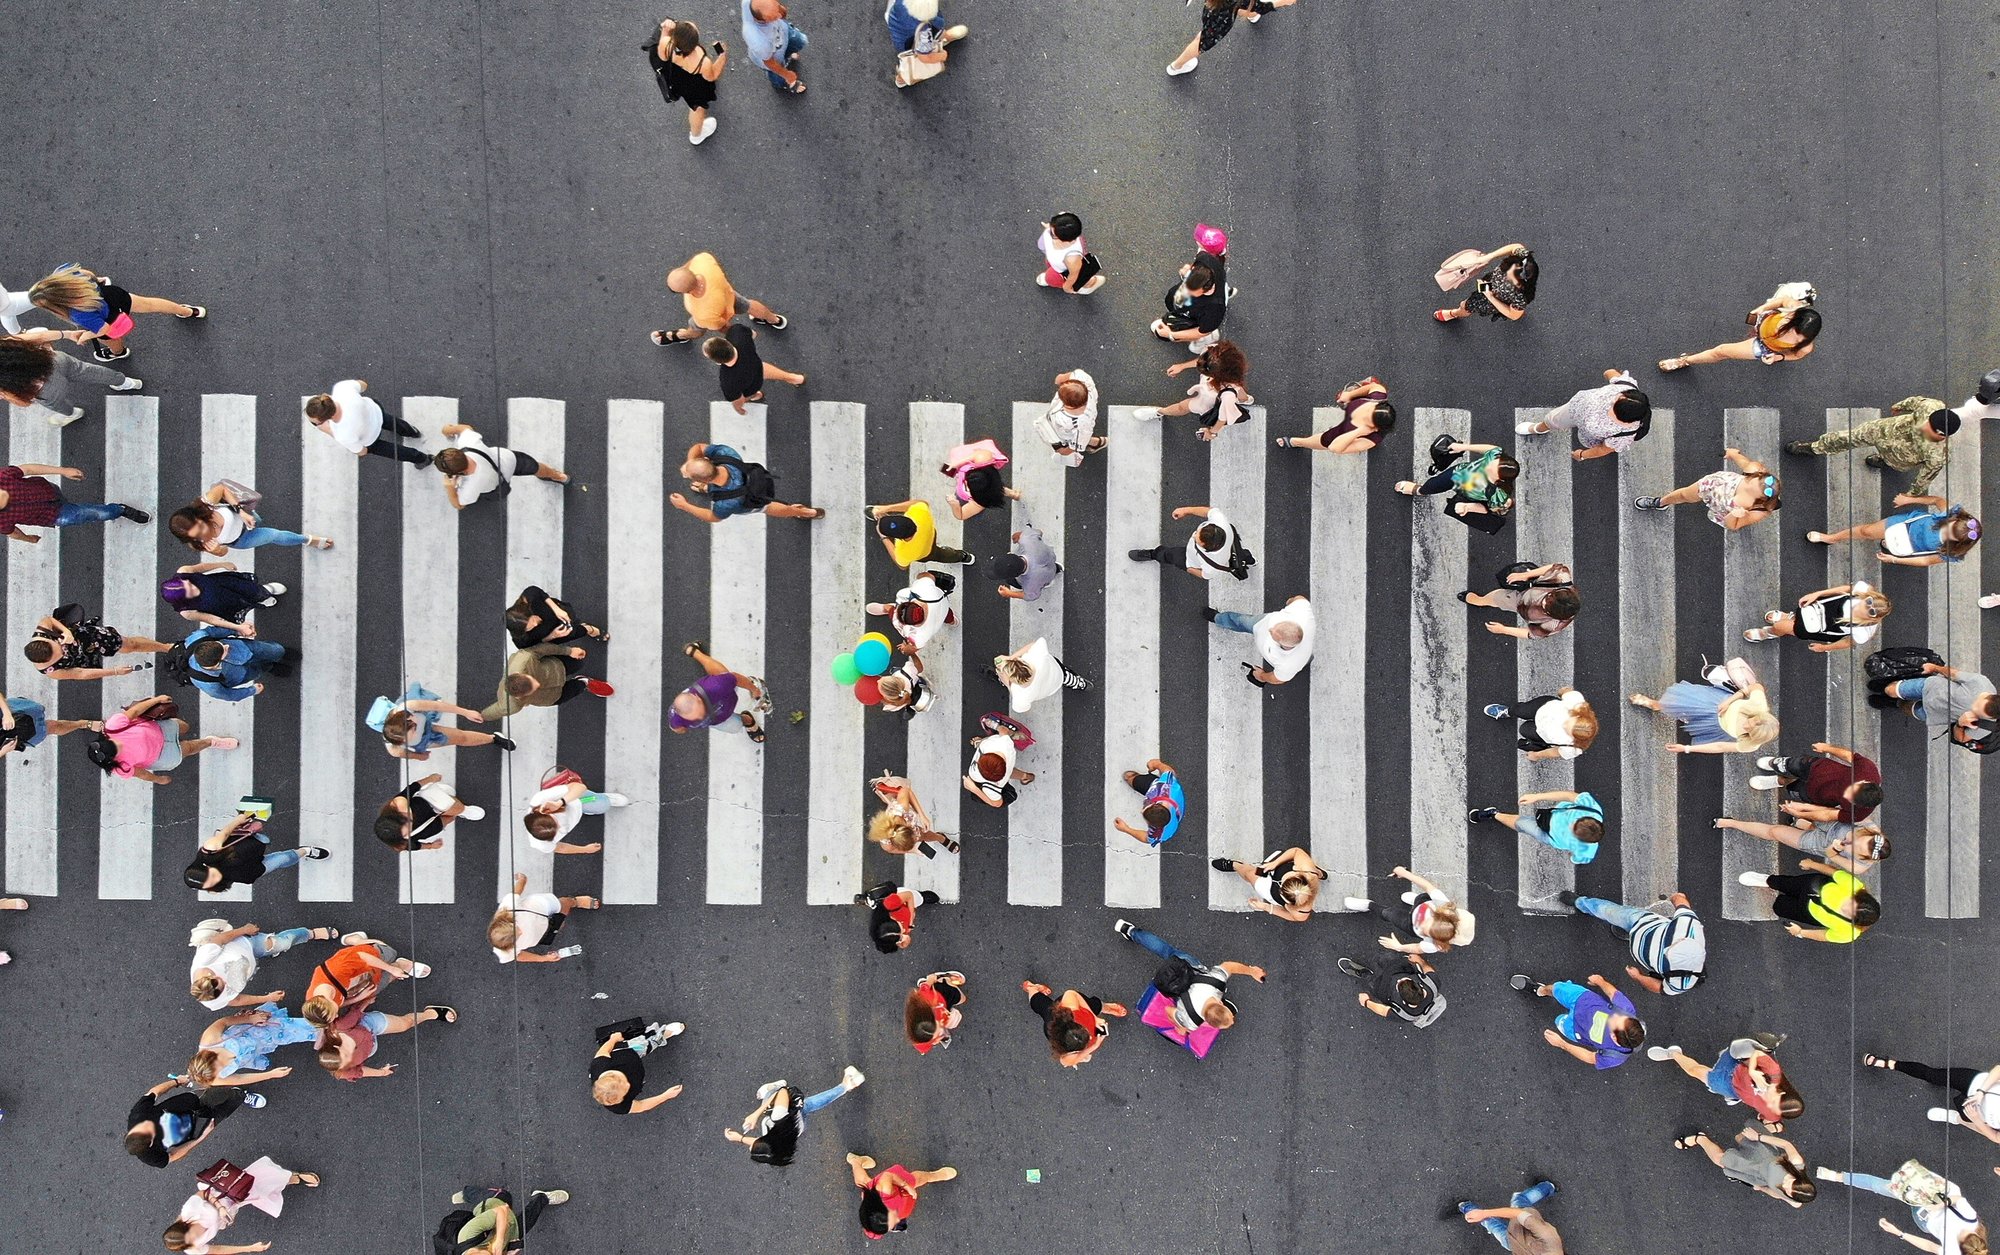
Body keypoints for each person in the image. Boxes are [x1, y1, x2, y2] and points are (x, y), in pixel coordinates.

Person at [26, 263, 203, 362]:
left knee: (111, 339)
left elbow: (102, 329)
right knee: (149, 303)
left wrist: (85, 337)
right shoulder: (63, 272)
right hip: (114, 295)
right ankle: (188, 311)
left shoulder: (76, 313)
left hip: (109, 318)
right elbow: (89, 274)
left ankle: (119, 353)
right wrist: (98, 281)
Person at [1112, 918, 1266, 1032]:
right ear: (1206, 1021)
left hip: (1185, 965)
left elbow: (1228, 966)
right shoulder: (1191, 1022)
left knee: (1165, 950)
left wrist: (1251, 971)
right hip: (1173, 985)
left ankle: (1129, 930)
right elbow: (1169, 1012)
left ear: (1220, 1004)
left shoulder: (1216, 983)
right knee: (1166, 954)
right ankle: (1129, 931)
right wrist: (1181, 1027)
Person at [1788, 396, 1961, 494]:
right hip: (1882, 431)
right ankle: (1814, 448)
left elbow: (1924, 477)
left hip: (1898, 458)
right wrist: (1899, 407)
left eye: (1929, 428)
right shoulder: (1931, 407)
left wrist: (1911, 495)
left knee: (1888, 462)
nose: (1923, 426)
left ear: (1941, 435)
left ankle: (1882, 461)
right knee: (1846, 438)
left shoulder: (1939, 455)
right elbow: (1916, 402)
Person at [1812, 1164, 1987, 1254]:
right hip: (1936, 1194)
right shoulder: (1970, 1220)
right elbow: (1957, 1199)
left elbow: (1929, 1246)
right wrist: (1936, 1206)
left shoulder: (1954, 1252)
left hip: (1923, 1215)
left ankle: (1838, 1176)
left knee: (1889, 1187)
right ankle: (1837, 1176)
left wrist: (1900, 1233)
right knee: (1886, 1186)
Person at [1562, 891, 1705, 996]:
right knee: (1607, 910)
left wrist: (1638, 977)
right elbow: (1680, 900)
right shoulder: (1688, 926)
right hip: (1641, 921)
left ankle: (1632, 936)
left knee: (1610, 914)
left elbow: (1660, 988)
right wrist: (1677, 897)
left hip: (1641, 938)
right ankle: (1580, 902)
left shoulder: (1683, 982)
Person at [162, 1157, 318, 1253]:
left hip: (226, 1192)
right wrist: (250, 1248)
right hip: (234, 1204)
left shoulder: (190, 1211)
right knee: (260, 1189)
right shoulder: (193, 1248)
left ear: (183, 1226)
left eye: (190, 1234)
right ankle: (289, 1178)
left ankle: (293, 1177)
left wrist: (220, 1208)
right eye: (191, 1240)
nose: (196, 1236)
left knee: (259, 1180)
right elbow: (217, 1250)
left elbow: (204, 1193)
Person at [1629, 657, 1778, 755]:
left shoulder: (1751, 745)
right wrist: (1731, 699)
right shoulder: (1759, 706)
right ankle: (1656, 704)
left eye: (1748, 730)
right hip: (1714, 703)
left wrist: (1687, 748)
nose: (1745, 726)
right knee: (1678, 703)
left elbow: (1720, 747)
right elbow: (1756, 687)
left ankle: (1670, 710)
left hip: (1716, 726)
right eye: (1749, 721)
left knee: (1687, 711)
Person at [1658, 282, 1821, 371]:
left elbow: (1796, 355)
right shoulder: (1792, 310)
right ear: (1793, 318)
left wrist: (1778, 357)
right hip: (1763, 322)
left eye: (1799, 339)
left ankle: (1685, 361)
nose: (1793, 337)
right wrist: (1763, 309)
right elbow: (1782, 300)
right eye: (1794, 331)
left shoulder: (1806, 347)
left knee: (1721, 351)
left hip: (1764, 346)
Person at [87, 693, 239, 785]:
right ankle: (211, 742)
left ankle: (206, 741)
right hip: (161, 755)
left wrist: (157, 699)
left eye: (114, 743)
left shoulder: (113, 727)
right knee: (189, 748)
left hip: (161, 729)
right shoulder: (119, 768)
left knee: (184, 727)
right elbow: (141, 773)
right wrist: (158, 780)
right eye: (117, 750)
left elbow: (135, 711)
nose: (119, 745)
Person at [188, 919, 340, 1010]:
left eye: (221, 981)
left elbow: (220, 939)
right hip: (247, 965)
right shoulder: (212, 1001)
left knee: (283, 943)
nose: (225, 982)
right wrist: (266, 998)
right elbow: (236, 1000)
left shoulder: (203, 959)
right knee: (276, 947)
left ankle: (310, 933)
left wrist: (244, 930)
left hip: (248, 944)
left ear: (210, 975)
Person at [725, 1067, 867, 1164]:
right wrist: (756, 1114)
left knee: (809, 1106)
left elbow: (763, 1144)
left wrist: (741, 1138)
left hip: (799, 1126)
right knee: (770, 1097)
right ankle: (771, 1087)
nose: (751, 1148)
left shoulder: (780, 1151)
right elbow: (783, 1092)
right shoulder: (777, 1119)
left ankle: (846, 1086)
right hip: (787, 1116)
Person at [0, 332, 142, 426]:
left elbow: (22, 403)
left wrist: (5, 395)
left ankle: (72, 414)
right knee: (89, 371)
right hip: (54, 360)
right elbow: (40, 336)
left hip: (47, 390)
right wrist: (66, 334)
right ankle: (126, 382)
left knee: (58, 405)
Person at [1508, 972, 1645, 1069]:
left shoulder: (1615, 1057)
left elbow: (1591, 1057)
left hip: (1574, 1029)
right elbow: (1612, 993)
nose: (1615, 1015)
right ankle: (1540, 990)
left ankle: (1555, 1001)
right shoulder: (1626, 1010)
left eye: (1614, 1021)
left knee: (1559, 1020)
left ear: (1614, 1038)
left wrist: (1562, 1044)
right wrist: (1600, 981)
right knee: (1556, 988)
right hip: (1582, 998)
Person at [1808, 493, 1981, 566]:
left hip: (1911, 547)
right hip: (1905, 524)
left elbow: (1925, 561)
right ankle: (1832, 538)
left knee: (1889, 546)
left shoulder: (1953, 552)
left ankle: (1888, 546)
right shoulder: (1951, 512)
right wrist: (1909, 499)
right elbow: (1936, 500)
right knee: (1867, 531)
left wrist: (1894, 559)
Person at [298, 935, 431, 1030]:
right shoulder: (317, 1002)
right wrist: (359, 998)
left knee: (390, 952)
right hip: (355, 981)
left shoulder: (337, 969)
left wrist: (391, 969)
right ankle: (401, 965)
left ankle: (358, 941)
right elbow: (340, 1003)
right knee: (376, 987)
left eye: (334, 1013)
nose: (337, 1014)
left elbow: (365, 958)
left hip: (362, 958)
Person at [672, 441, 824, 522]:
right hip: (753, 477)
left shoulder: (727, 503)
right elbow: (699, 447)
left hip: (749, 498)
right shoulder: (726, 454)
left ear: (704, 479)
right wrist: (691, 463)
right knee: (767, 506)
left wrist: (685, 506)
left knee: (765, 508)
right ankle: (809, 512)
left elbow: (713, 517)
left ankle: (801, 511)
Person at [1633, 446, 1781, 530]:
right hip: (1710, 486)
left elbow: (1733, 526)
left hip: (1721, 508)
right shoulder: (1755, 471)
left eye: (1750, 487)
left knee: (1685, 495)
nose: (1748, 481)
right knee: (1684, 495)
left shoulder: (1759, 510)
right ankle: (1660, 502)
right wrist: (1733, 454)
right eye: (1750, 480)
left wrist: (1735, 515)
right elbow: (1744, 462)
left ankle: (1661, 502)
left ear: (1760, 498)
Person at [653, 250, 785, 344]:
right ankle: (775, 320)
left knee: (696, 330)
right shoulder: (703, 261)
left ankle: (679, 335)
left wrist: (742, 334)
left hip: (716, 312)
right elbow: (692, 262)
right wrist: (681, 275)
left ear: (686, 292)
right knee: (747, 304)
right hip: (728, 294)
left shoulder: (702, 312)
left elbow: (723, 326)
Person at [1517, 368, 1651, 460]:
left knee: (1556, 419)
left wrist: (1582, 454)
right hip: (1575, 408)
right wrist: (1609, 373)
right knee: (1553, 419)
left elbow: (1603, 449)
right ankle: (1538, 428)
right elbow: (1611, 373)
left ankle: (1539, 428)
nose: (1611, 401)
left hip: (1587, 430)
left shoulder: (1623, 435)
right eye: (1618, 396)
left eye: (1614, 406)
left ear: (1622, 419)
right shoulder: (1626, 386)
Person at [126, 1078, 262, 1168]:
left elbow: (154, 1093)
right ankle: (241, 1096)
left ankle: (235, 1091)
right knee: (222, 1113)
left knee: (218, 1092)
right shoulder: (149, 1156)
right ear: (150, 1143)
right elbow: (172, 1156)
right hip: (197, 1127)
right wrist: (200, 1138)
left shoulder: (138, 1115)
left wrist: (176, 1081)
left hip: (193, 1101)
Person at [1861, 1052, 2000, 1140]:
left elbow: (1995, 1136)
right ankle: (1891, 1064)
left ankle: (1956, 1118)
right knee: (1933, 1076)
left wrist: (1976, 1119)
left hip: (1976, 1112)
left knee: (1966, 1117)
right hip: (1977, 1082)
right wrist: (1981, 1092)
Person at [1394, 437, 1518, 534]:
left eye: (1492, 470)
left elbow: (1486, 508)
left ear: (1500, 480)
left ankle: (1422, 490)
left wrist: (1467, 507)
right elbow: (1490, 449)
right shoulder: (1495, 457)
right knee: (1433, 484)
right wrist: (1463, 447)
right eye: (1494, 462)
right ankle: (1421, 490)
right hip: (1457, 475)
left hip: (1469, 494)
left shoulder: (1497, 494)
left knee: (1439, 487)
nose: (1488, 465)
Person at [0, 461, 148, 542]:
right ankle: (119, 510)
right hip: (53, 516)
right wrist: (28, 539)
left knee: (79, 508)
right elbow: (13, 533)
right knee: (93, 514)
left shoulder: (3, 477)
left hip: (48, 490)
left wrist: (63, 470)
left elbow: (28, 469)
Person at [1134, 341, 1253, 441]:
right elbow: (1204, 362)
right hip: (1225, 390)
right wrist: (1182, 366)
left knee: (1182, 407)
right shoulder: (1226, 363)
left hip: (1208, 401)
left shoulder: (1226, 395)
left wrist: (1212, 432)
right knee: (1238, 390)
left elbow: (1222, 418)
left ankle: (1160, 412)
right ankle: (1245, 399)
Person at [433, 421, 569, 509]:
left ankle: (557, 476)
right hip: (508, 459)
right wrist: (447, 429)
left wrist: (449, 488)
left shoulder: (471, 487)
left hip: (496, 486)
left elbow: (458, 504)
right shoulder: (468, 444)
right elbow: (466, 428)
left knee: (481, 496)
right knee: (535, 466)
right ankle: (559, 476)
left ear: (459, 473)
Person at [1344, 865, 1476, 955]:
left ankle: (1369, 905)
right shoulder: (1443, 904)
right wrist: (1405, 873)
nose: (1421, 924)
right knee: (1420, 898)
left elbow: (1418, 948)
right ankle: (1414, 902)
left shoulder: (1434, 945)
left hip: (1409, 924)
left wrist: (1399, 947)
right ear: (1439, 914)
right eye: (1429, 920)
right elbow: (1427, 886)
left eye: (1424, 932)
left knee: (1389, 914)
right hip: (1423, 903)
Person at [170, 481, 332, 554]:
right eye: (197, 535)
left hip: (244, 518)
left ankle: (253, 519)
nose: (203, 533)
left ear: (198, 516)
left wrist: (240, 511)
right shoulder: (198, 544)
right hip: (241, 540)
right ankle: (308, 540)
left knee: (258, 520)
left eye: (200, 526)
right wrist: (218, 550)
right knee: (274, 535)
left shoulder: (206, 505)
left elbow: (222, 489)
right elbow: (223, 552)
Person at [24, 601, 170, 681]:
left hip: (88, 637)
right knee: (124, 647)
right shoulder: (51, 671)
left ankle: (165, 647)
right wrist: (114, 671)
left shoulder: (42, 633)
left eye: (59, 647)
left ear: (48, 641)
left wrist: (66, 632)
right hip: (81, 657)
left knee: (129, 645)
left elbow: (49, 620)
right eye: (60, 655)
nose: (63, 650)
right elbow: (80, 674)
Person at [1674, 1127, 1816, 1208]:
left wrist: (1762, 1188)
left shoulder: (1794, 1201)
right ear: (1801, 1178)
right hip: (1763, 1154)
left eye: (1788, 1190)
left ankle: (1700, 1139)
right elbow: (1786, 1145)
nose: (1785, 1184)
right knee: (1739, 1136)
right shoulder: (1796, 1163)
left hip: (1754, 1173)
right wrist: (1758, 1137)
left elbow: (1776, 1195)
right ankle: (1768, 1125)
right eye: (1791, 1181)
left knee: (1720, 1159)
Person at [1871, 658, 1997, 750]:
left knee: (1906, 707)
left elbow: (1961, 738)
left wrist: (1960, 724)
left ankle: (1893, 703)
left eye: (1976, 710)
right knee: (1890, 690)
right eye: (1978, 703)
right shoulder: (1981, 683)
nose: (1973, 707)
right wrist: (1935, 668)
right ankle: (1887, 690)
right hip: (1930, 687)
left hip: (1932, 714)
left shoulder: (1986, 726)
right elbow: (1954, 674)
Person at [1737, 863, 1881, 943]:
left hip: (1807, 912)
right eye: (1852, 902)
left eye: (1850, 912)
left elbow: (1823, 935)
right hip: (1810, 885)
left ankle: (1775, 891)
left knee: (1779, 907)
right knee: (1784, 883)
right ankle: (1767, 880)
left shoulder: (1849, 933)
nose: (1846, 906)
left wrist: (1800, 932)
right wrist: (1812, 864)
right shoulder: (1855, 886)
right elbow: (1833, 873)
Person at [302, 379, 430, 468]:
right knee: (394, 422)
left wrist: (328, 431)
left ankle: (422, 458)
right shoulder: (342, 389)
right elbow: (363, 385)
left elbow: (362, 451)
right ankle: (413, 432)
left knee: (395, 451)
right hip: (375, 412)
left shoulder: (342, 434)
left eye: (316, 423)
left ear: (326, 418)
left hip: (371, 439)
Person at [186, 1003, 320, 1087]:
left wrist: (249, 1019)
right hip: (254, 1049)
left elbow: (224, 1022)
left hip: (256, 1030)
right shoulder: (213, 1079)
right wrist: (270, 1074)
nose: (224, 1067)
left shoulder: (209, 1040)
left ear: (208, 1056)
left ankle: (321, 1029)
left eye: (219, 1065)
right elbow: (239, 1078)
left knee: (289, 1030)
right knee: (284, 1035)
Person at [318, 1001, 456, 1082]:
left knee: (405, 1024)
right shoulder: (342, 1071)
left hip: (369, 1025)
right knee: (377, 1043)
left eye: (346, 1055)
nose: (351, 1058)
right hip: (370, 1046)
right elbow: (360, 1072)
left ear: (335, 1044)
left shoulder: (341, 1027)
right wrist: (381, 1072)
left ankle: (430, 1013)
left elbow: (356, 1012)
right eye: (348, 1063)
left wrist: (366, 1000)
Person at [370, 683, 514, 760]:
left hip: (423, 723)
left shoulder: (410, 706)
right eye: (409, 738)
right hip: (425, 741)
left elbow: (437, 706)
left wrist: (466, 713)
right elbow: (404, 754)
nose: (414, 734)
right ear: (401, 743)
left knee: (460, 736)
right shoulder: (394, 749)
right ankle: (493, 739)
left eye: (413, 728)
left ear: (408, 718)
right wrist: (419, 756)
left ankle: (493, 738)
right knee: (460, 738)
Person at [1713, 814, 1890, 876]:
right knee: (1808, 822)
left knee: (1775, 832)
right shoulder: (1870, 827)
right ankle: (1803, 823)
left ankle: (1732, 823)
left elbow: (1830, 856)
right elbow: (1843, 812)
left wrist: (1837, 848)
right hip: (1831, 822)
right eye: (1859, 837)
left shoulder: (1859, 866)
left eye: (1856, 847)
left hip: (1821, 844)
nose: (1853, 841)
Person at [481, 640, 611, 722]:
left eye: (532, 680)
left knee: (579, 663)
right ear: (520, 697)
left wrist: (569, 651)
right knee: (576, 688)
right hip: (551, 697)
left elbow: (542, 649)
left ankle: (580, 681)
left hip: (556, 667)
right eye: (533, 688)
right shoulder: (511, 705)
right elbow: (498, 710)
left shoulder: (525, 659)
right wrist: (482, 716)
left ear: (522, 674)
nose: (538, 684)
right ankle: (584, 682)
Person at [1751, 741, 1882, 820]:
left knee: (1792, 788)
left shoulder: (1859, 814)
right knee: (1791, 764)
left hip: (1817, 795)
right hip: (1816, 767)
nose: (1845, 795)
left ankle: (1779, 781)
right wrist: (1827, 748)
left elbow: (1828, 815)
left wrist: (1800, 813)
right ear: (1864, 782)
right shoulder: (1868, 769)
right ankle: (1774, 763)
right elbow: (1850, 756)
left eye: (1850, 799)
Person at [1741, 581, 1890, 650]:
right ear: (1869, 597)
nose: (1867, 607)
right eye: (1869, 602)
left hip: (1819, 628)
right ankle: (1791, 617)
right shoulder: (1863, 591)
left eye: (1872, 611)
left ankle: (1770, 632)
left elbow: (1848, 643)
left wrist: (1825, 648)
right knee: (1800, 612)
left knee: (1780, 626)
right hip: (1818, 608)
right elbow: (1845, 589)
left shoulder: (1864, 630)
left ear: (1873, 618)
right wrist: (1817, 594)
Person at [645, 18, 725, 145]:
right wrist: (722, 56)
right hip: (691, 84)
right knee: (697, 109)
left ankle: (697, 133)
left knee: (693, 104)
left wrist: (665, 31)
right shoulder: (702, 62)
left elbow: (661, 56)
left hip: (673, 75)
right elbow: (712, 76)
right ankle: (696, 134)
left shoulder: (667, 44)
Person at [1469, 789, 1603, 864]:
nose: (1570, 825)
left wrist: (1571, 853)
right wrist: (1537, 797)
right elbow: (1568, 795)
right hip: (1550, 816)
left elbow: (1575, 858)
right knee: (1523, 823)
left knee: (1522, 824)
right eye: (1575, 821)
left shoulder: (1587, 851)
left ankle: (1494, 814)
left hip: (1547, 835)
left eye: (1572, 830)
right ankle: (1495, 814)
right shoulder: (1591, 807)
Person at [490, 871, 599, 964]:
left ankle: (575, 901)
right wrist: (544, 958)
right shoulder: (503, 952)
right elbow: (518, 956)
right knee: (559, 924)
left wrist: (522, 879)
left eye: (516, 927)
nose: (521, 931)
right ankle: (563, 915)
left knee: (564, 903)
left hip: (542, 907)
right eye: (518, 936)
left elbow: (517, 892)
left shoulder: (507, 907)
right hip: (542, 934)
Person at [1207, 594, 1314, 687]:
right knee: (1303, 660)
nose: (1270, 629)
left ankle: (1218, 618)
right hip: (1261, 623)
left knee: (1239, 621)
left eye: (1272, 634)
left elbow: (1277, 680)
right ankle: (1218, 618)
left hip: (1258, 626)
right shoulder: (1303, 613)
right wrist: (1291, 601)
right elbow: (1300, 599)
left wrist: (1261, 676)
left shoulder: (1288, 664)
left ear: (1282, 642)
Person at [1166, 0, 1298, 75]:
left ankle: (1251, 15)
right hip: (1222, 11)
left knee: (1241, 5)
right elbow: (1270, 4)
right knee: (1203, 40)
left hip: (1221, 5)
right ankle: (1176, 66)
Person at [669, 641, 768, 741]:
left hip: (724, 693)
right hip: (719, 718)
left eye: (700, 712)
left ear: (697, 697)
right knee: (736, 727)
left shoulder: (716, 686)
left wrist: (754, 689)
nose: (702, 717)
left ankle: (696, 652)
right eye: (696, 718)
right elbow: (677, 728)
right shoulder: (676, 719)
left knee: (723, 675)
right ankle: (747, 719)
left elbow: (736, 678)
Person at [1130, 504, 1251, 582]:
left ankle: (1154, 554)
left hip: (1190, 559)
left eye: (1197, 540)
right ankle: (1249, 560)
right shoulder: (1220, 522)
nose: (1193, 535)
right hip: (1227, 552)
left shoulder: (1212, 564)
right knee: (1240, 555)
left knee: (1170, 555)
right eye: (1198, 532)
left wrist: (1189, 568)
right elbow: (1210, 511)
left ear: (1207, 548)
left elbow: (1205, 575)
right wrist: (1187, 510)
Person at [848, 1152, 957, 1239]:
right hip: (883, 1199)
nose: (896, 1222)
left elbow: (888, 1176)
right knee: (864, 1183)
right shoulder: (873, 1227)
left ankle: (934, 1175)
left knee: (916, 1179)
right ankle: (855, 1161)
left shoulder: (884, 1191)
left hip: (897, 1187)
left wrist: (906, 1186)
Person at [1022, 980, 1127, 1069]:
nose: (1090, 1036)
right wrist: (1094, 1046)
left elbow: (1071, 993)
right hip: (1053, 1020)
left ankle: (1106, 1008)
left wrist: (1095, 1018)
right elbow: (1066, 1061)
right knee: (1042, 1007)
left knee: (1094, 1005)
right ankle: (1032, 989)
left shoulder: (1069, 1008)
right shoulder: (1066, 1055)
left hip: (1069, 1010)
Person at [1275, 376, 1395, 454]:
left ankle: (1297, 442)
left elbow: (1335, 448)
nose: (1365, 412)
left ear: (1375, 428)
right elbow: (1374, 387)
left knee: (1324, 440)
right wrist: (1350, 395)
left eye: (1367, 419)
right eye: (1370, 410)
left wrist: (1358, 432)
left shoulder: (1372, 438)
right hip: (1351, 413)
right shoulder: (1376, 398)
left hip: (1340, 433)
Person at [590, 1021, 687, 1114]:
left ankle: (660, 1034)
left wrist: (613, 1039)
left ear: (610, 1073)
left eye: (622, 1081)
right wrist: (666, 1096)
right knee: (645, 1045)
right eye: (625, 1091)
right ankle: (653, 1037)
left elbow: (605, 1049)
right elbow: (641, 1106)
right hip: (635, 1067)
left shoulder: (599, 1065)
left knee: (645, 1045)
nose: (628, 1084)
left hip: (629, 1051)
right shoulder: (618, 1107)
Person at [704, 324, 806, 414]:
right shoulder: (737, 332)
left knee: (751, 393)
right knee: (764, 368)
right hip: (757, 366)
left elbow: (737, 399)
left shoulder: (727, 380)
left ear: (718, 361)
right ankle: (794, 378)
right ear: (727, 342)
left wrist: (738, 408)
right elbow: (753, 334)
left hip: (752, 386)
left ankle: (756, 395)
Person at [440, 1185, 571, 1255]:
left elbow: (502, 1210)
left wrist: (499, 1240)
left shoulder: (466, 1236)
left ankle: (467, 1193)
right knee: (529, 1219)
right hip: (511, 1234)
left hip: (494, 1208)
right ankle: (543, 1197)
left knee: (504, 1196)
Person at [179, 623, 293, 702]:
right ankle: (270, 666)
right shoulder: (208, 685)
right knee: (259, 670)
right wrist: (251, 690)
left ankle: (279, 653)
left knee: (276, 650)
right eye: (224, 650)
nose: (227, 646)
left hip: (245, 648)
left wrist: (238, 630)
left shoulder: (199, 637)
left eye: (221, 644)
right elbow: (229, 695)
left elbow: (215, 630)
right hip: (242, 675)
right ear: (215, 664)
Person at [1461, 562, 1578, 640]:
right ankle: (1481, 600)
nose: (1542, 602)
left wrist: (1503, 630)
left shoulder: (1554, 625)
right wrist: (1525, 575)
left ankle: (1479, 601)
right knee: (1496, 596)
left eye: (1546, 608)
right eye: (1548, 597)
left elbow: (1530, 634)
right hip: (1528, 587)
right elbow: (1554, 567)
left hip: (1519, 603)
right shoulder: (1563, 580)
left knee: (1496, 598)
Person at [523, 773, 631, 856]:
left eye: (555, 822)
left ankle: (603, 799)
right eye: (556, 832)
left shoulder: (540, 799)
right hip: (573, 810)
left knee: (604, 805)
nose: (560, 826)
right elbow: (560, 848)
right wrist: (585, 849)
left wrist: (560, 802)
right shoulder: (539, 844)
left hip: (576, 801)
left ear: (544, 812)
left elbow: (580, 787)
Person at [374, 775, 485, 852]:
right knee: (450, 819)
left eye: (406, 819)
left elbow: (412, 788)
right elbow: (415, 846)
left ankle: (463, 810)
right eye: (406, 832)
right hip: (429, 828)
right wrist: (430, 846)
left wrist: (431, 778)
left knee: (454, 807)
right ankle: (455, 810)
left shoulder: (399, 804)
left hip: (430, 803)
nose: (410, 822)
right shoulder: (401, 843)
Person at [1481, 688, 1598, 761]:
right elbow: (1566, 691)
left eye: (1566, 730)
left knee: (1524, 730)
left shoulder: (1574, 748)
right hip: (1541, 708)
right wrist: (1562, 692)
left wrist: (1537, 755)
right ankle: (1507, 711)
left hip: (1541, 732)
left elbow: (1555, 752)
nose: (1562, 725)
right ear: (1578, 715)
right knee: (1521, 710)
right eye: (1568, 722)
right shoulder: (1577, 704)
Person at [1433, 244, 1536, 324]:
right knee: (1478, 292)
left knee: (1466, 305)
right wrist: (1489, 257)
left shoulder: (1521, 297)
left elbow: (1513, 315)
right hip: (1490, 284)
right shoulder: (1523, 259)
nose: (1505, 274)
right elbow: (1516, 247)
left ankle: (1453, 313)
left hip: (1491, 299)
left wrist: (1490, 296)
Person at [162, 563, 285, 630]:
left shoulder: (184, 572)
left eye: (189, 584)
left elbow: (202, 567)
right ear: (184, 600)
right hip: (227, 604)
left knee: (250, 589)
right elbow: (211, 619)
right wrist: (238, 627)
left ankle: (265, 591)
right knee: (245, 602)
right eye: (190, 592)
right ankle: (261, 597)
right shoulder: (187, 612)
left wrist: (221, 564)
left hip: (228, 584)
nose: (194, 587)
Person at [1455, 1179, 1562, 1252]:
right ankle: (1548, 1187)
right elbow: (1519, 1213)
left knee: (1494, 1227)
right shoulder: (1549, 1240)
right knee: (1519, 1200)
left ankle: (1469, 1209)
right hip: (1523, 1223)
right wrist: (1484, 1213)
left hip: (1512, 1243)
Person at [1340, 953, 1445, 1027]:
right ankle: (1381, 962)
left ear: (1404, 1001)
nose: (1399, 980)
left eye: (1398, 986)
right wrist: (1419, 960)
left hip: (1383, 990)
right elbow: (1428, 969)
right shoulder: (1432, 983)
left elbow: (1383, 1010)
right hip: (1400, 969)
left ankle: (1364, 973)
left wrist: (1366, 1002)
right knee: (1388, 961)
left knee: (1373, 982)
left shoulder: (1404, 1015)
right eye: (1407, 979)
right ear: (1419, 986)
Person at [1149, 249, 1226, 349]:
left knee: (1202, 329)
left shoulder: (1214, 310)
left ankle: (1206, 339)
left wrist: (1170, 334)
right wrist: (1187, 270)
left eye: (1193, 293)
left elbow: (1201, 332)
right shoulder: (1205, 259)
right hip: (1187, 310)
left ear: (1207, 289)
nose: (1186, 293)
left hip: (1193, 318)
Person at [885, 0, 970, 89]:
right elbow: (925, 57)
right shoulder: (924, 32)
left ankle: (941, 37)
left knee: (933, 35)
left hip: (898, 27)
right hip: (911, 42)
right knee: (929, 43)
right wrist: (943, 56)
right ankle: (903, 78)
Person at [869, 570, 955, 656]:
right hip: (944, 606)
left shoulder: (920, 636)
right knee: (947, 614)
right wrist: (907, 648)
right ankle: (952, 621)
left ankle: (887, 609)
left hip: (942, 609)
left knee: (892, 612)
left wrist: (906, 650)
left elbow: (928, 576)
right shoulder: (926, 591)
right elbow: (913, 648)